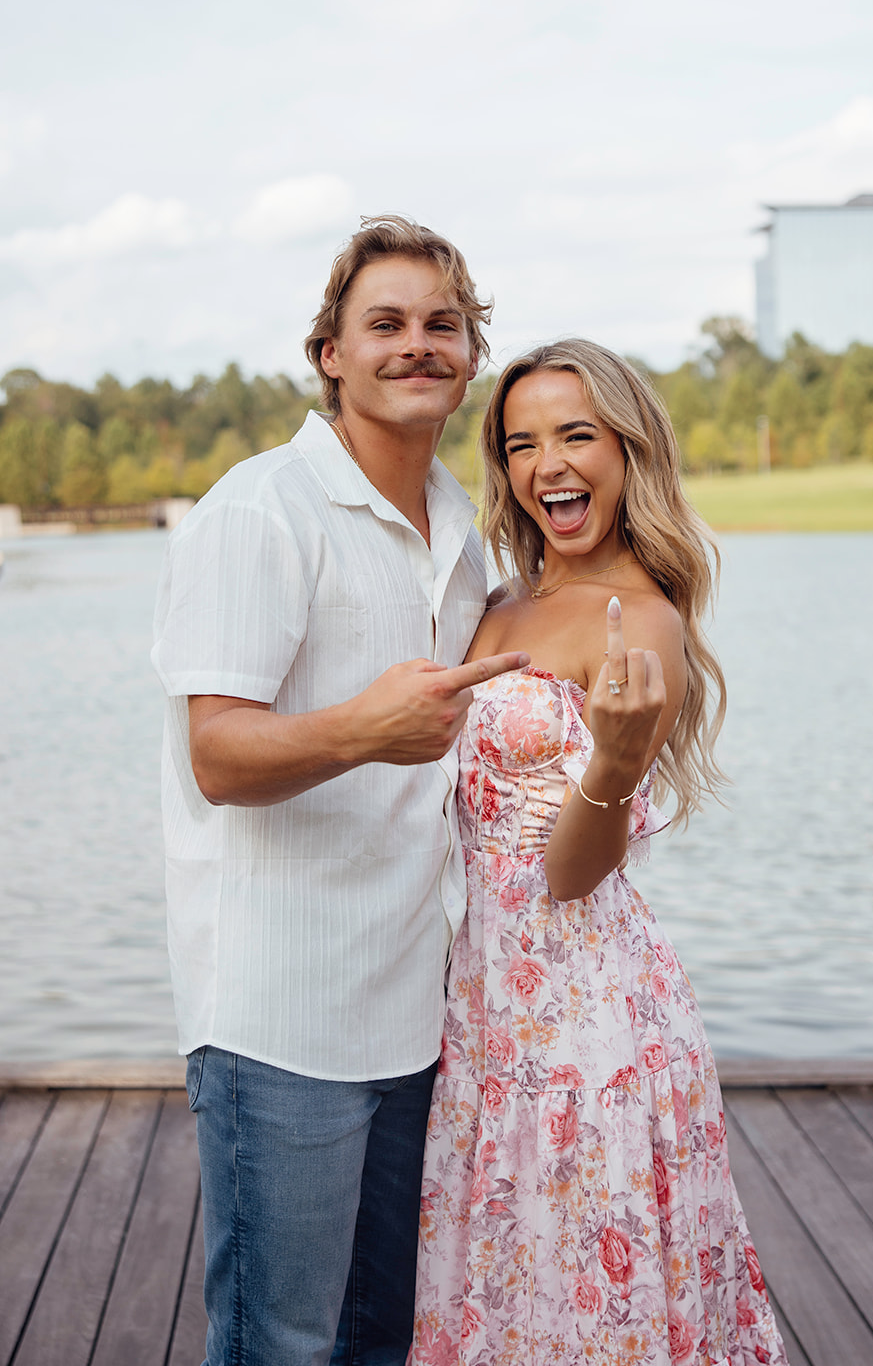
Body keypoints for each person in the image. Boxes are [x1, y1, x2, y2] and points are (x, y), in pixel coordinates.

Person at [151, 214, 527, 1366]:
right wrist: (369, 727)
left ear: (468, 359)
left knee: (377, 1340)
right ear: (331, 352)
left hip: (414, 1014)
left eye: (440, 324)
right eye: (386, 323)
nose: (417, 344)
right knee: (279, 1340)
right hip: (280, 1015)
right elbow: (218, 756)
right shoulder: (261, 509)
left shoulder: (462, 531)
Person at [410, 339, 788, 1366]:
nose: (548, 466)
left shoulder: (644, 620)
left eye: (576, 434)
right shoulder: (498, 600)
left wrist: (617, 759)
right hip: (485, 1000)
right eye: (522, 443)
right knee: (503, 1274)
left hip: (586, 1015)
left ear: (627, 448)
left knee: (582, 1284)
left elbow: (574, 872)